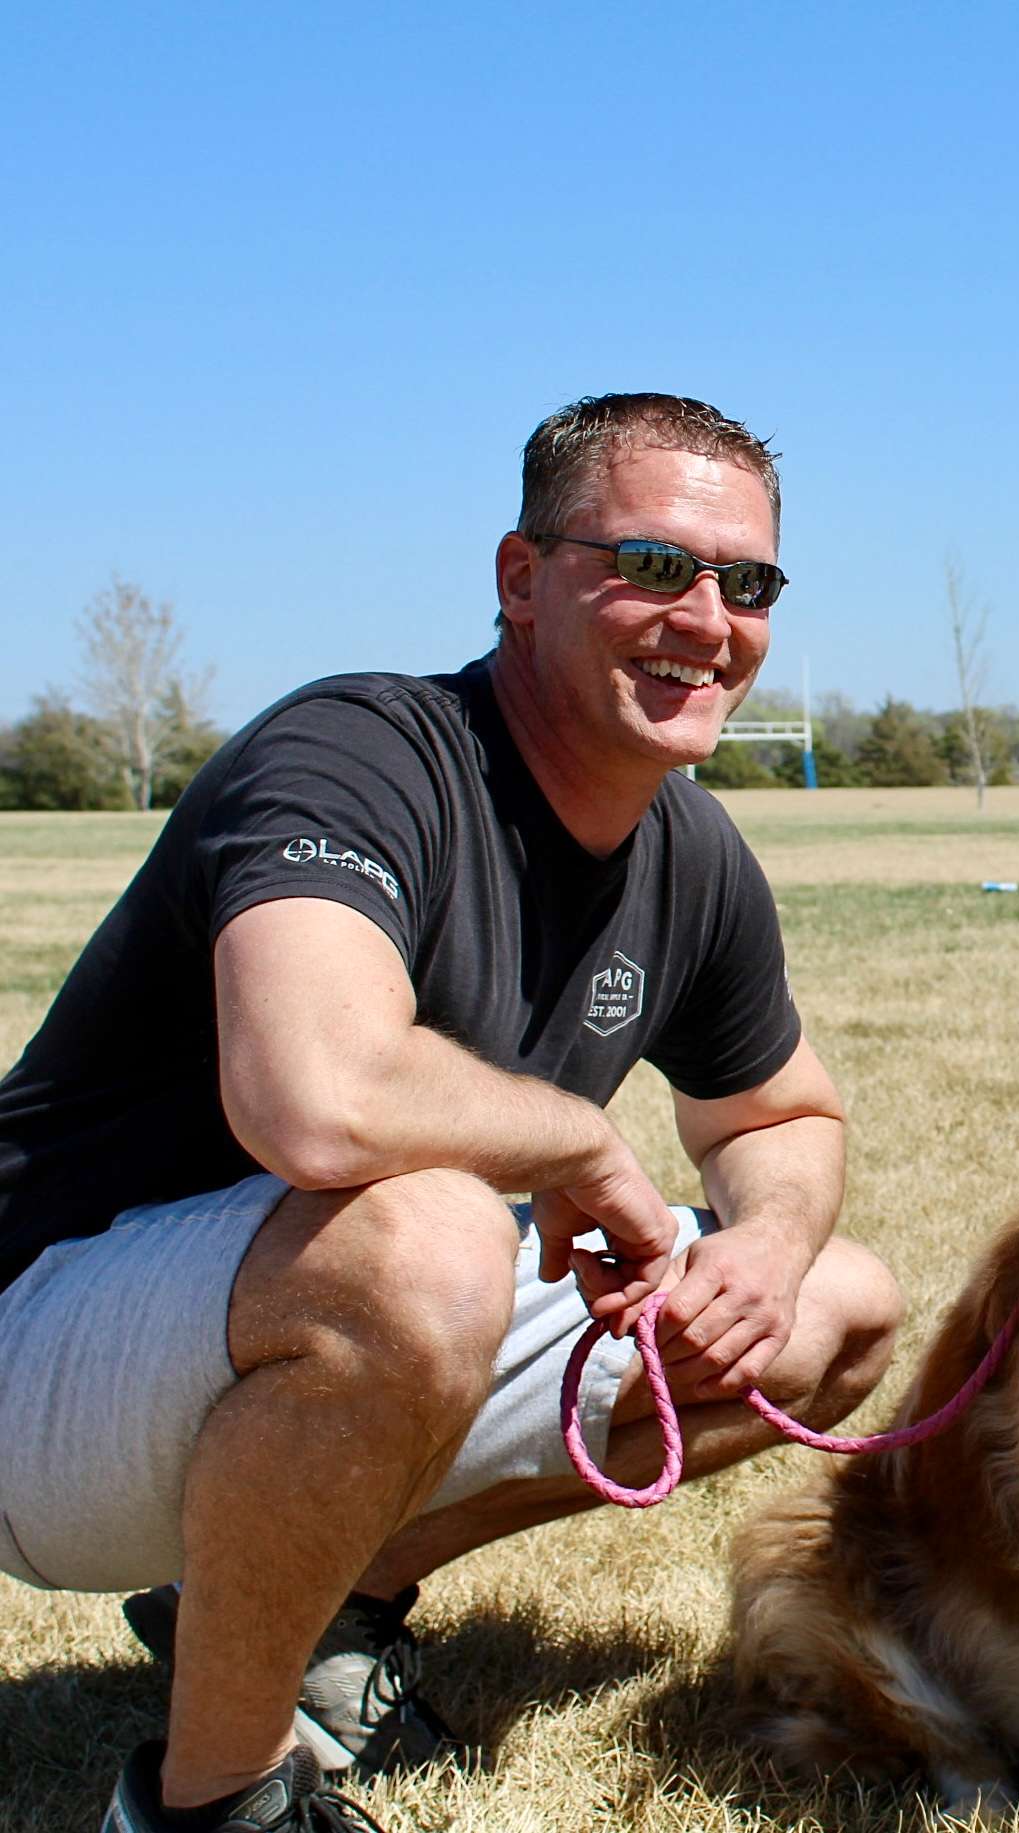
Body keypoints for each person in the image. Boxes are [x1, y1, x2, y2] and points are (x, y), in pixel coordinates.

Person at [0, 393, 904, 1831]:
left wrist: (771, 1236)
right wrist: (578, 1138)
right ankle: (208, 1804)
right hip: (42, 1352)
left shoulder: (689, 851)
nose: (708, 616)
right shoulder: (363, 753)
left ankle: (318, 1601)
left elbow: (779, 1110)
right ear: (518, 577)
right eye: (655, 565)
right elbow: (316, 1095)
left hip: (298, 1329)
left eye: (748, 583)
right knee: (427, 1238)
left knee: (834, 1307)